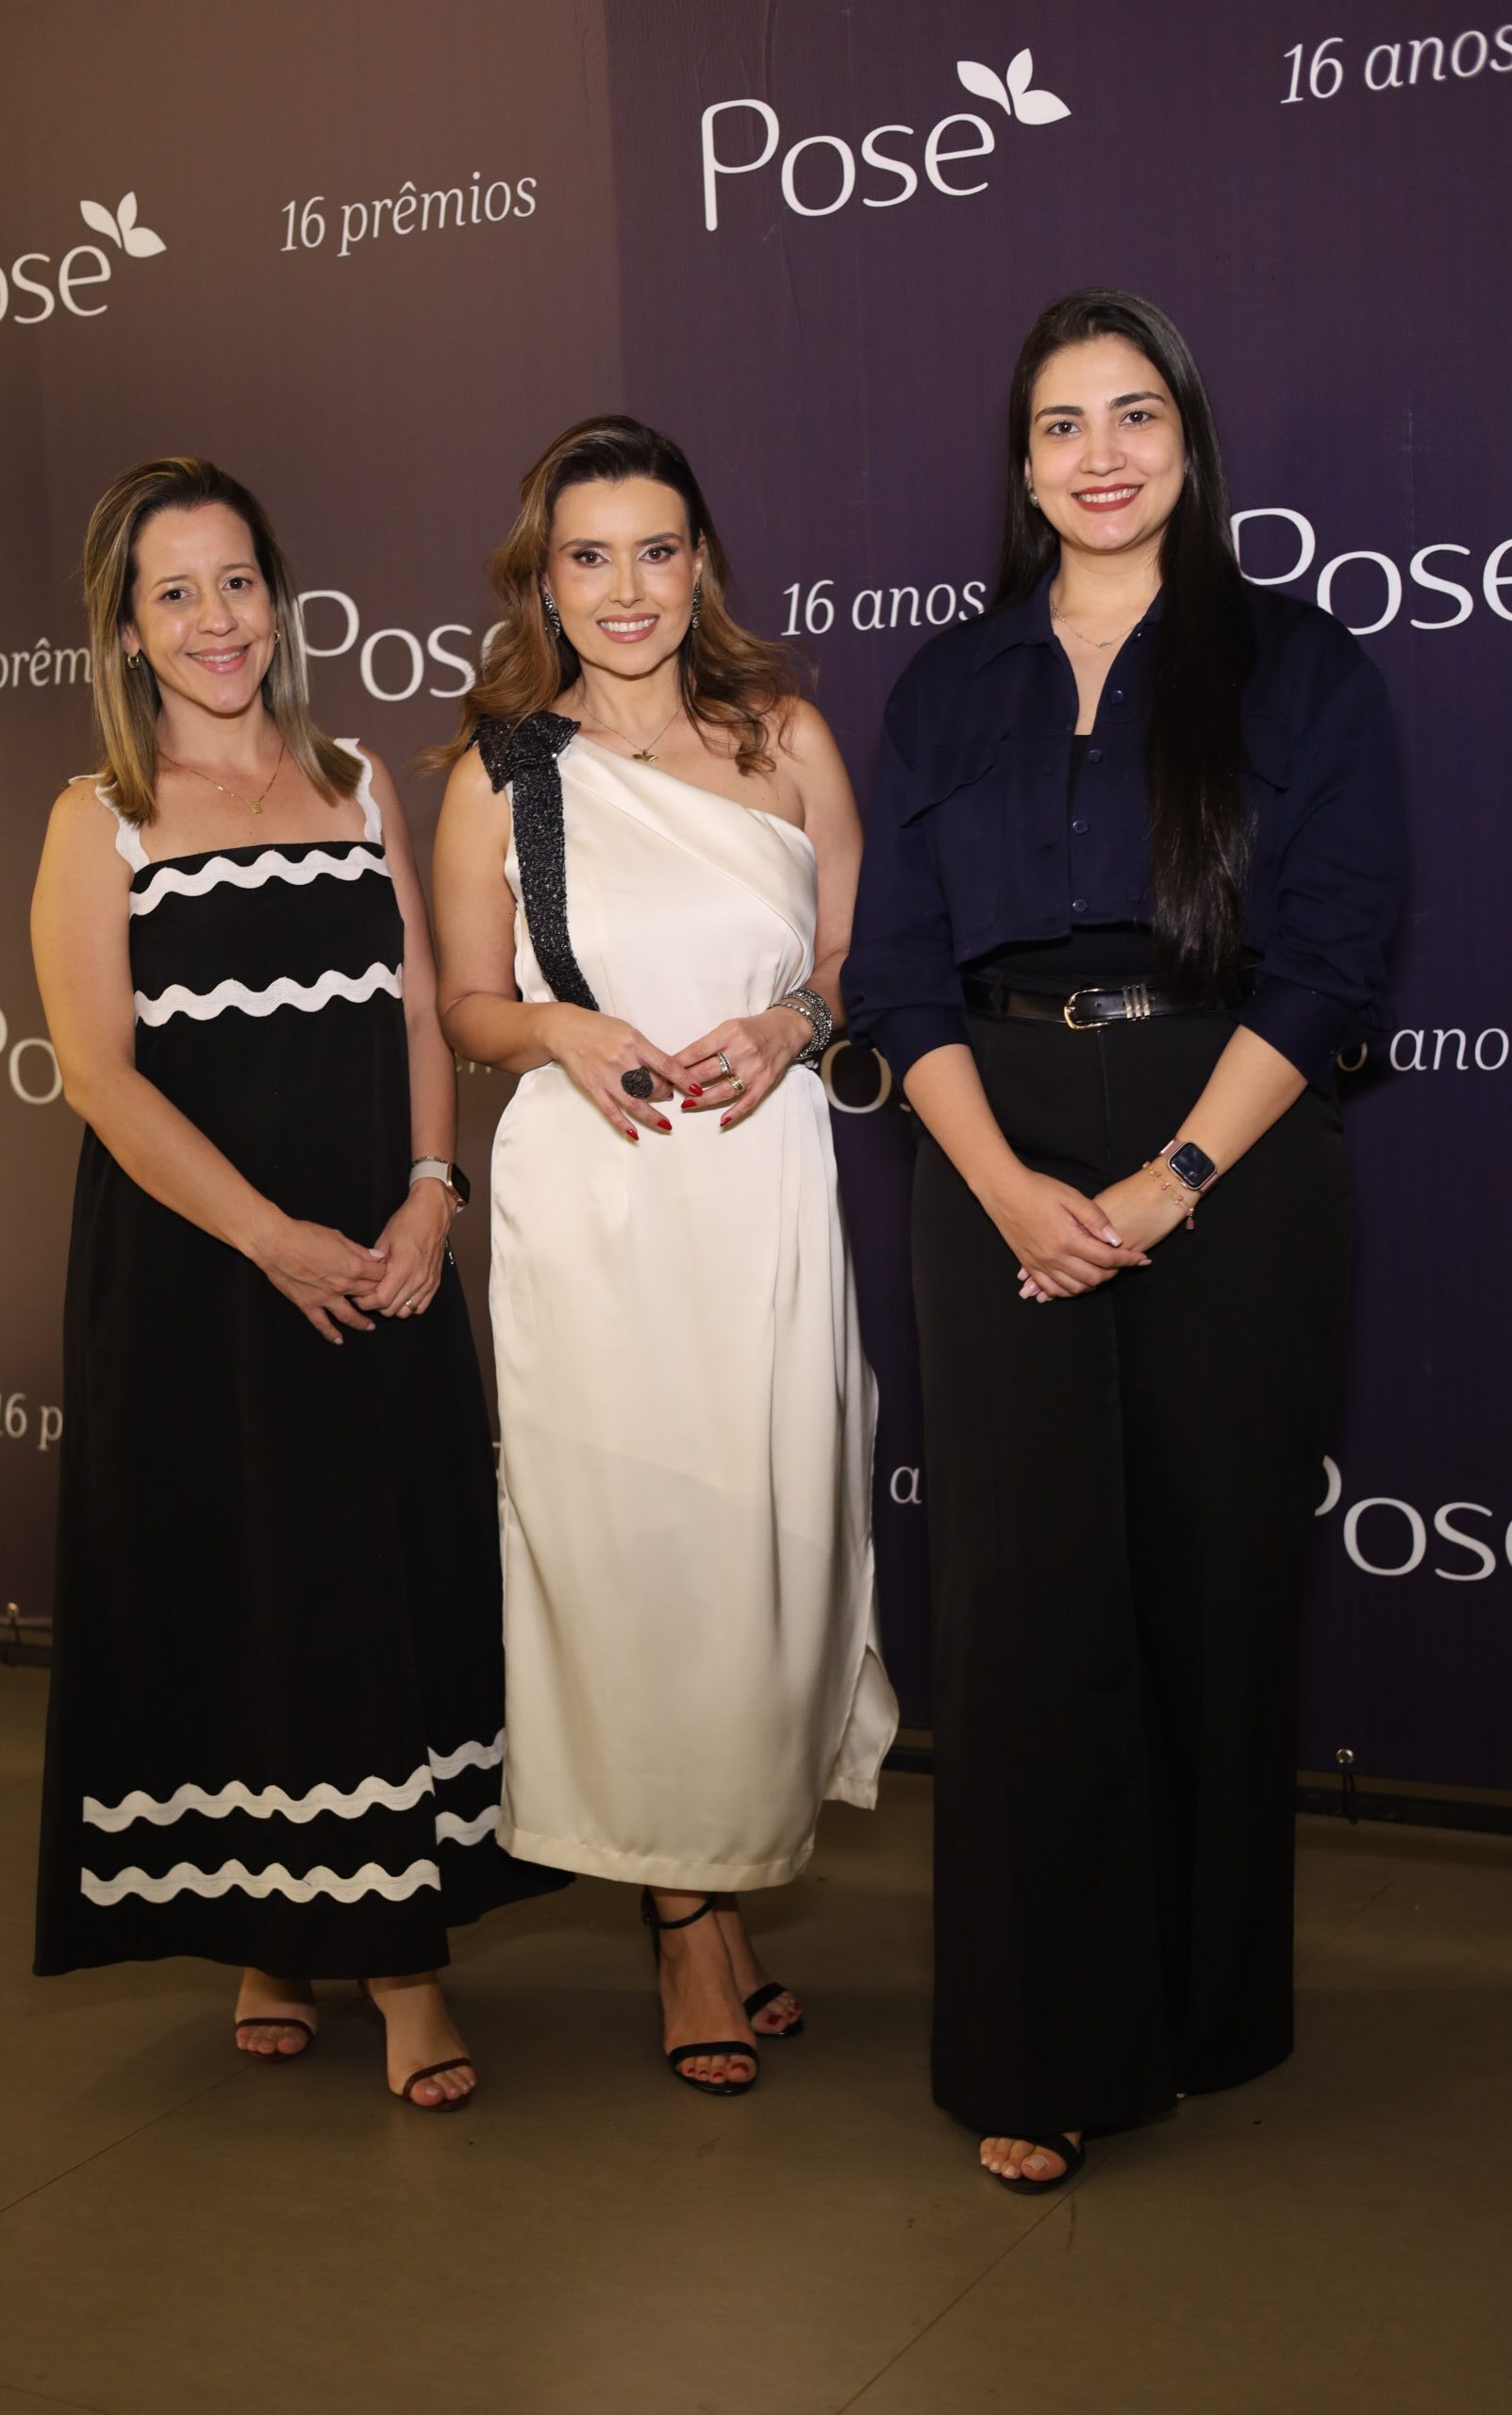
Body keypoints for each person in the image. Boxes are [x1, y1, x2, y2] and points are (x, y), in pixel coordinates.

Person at [843, 291, 1404, 2188]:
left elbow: (1331, 958)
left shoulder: (1297, 666)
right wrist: (1004, 1184)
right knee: (1019, 1607)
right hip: (991, 1145)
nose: (1100, 453)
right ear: (1020, 465)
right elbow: (895, 970)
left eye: (1134, 414)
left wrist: (1169, 1180)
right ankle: (1044, 2042)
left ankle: (1205, 2000)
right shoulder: (946, 686)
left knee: (1212, 1583)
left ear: (1185, 439)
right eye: (1063, 423)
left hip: (1227, 1146)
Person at [32, 457, 562, 2109]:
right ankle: (280, 1931)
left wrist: (431, 1195)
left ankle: (402, 1963)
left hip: (382, 1257)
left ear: (279, 597)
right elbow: (101, 1078)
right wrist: (268, 1238)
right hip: (201, 1279)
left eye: (239, 581)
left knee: (374, 1588)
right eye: (175, 592)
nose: (217, 621)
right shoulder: (96, 818)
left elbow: (417, 1014)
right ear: (127, 630)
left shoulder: (353, 782)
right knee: (249, 1594)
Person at [430, 416, 896, 2096]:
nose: (625, 589)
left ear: (700, 563)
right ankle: (685, 1929)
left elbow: (856, 959)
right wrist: (559, 1027)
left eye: (655, 550)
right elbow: (466, 1005)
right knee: (638, 1559)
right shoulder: (501, 770)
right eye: (589, 557)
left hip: (763, 1186)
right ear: (542, 581)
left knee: (764, 1548)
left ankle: (723, 1879)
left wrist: (790, 1026)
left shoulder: (784, 737)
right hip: (600, 1205)